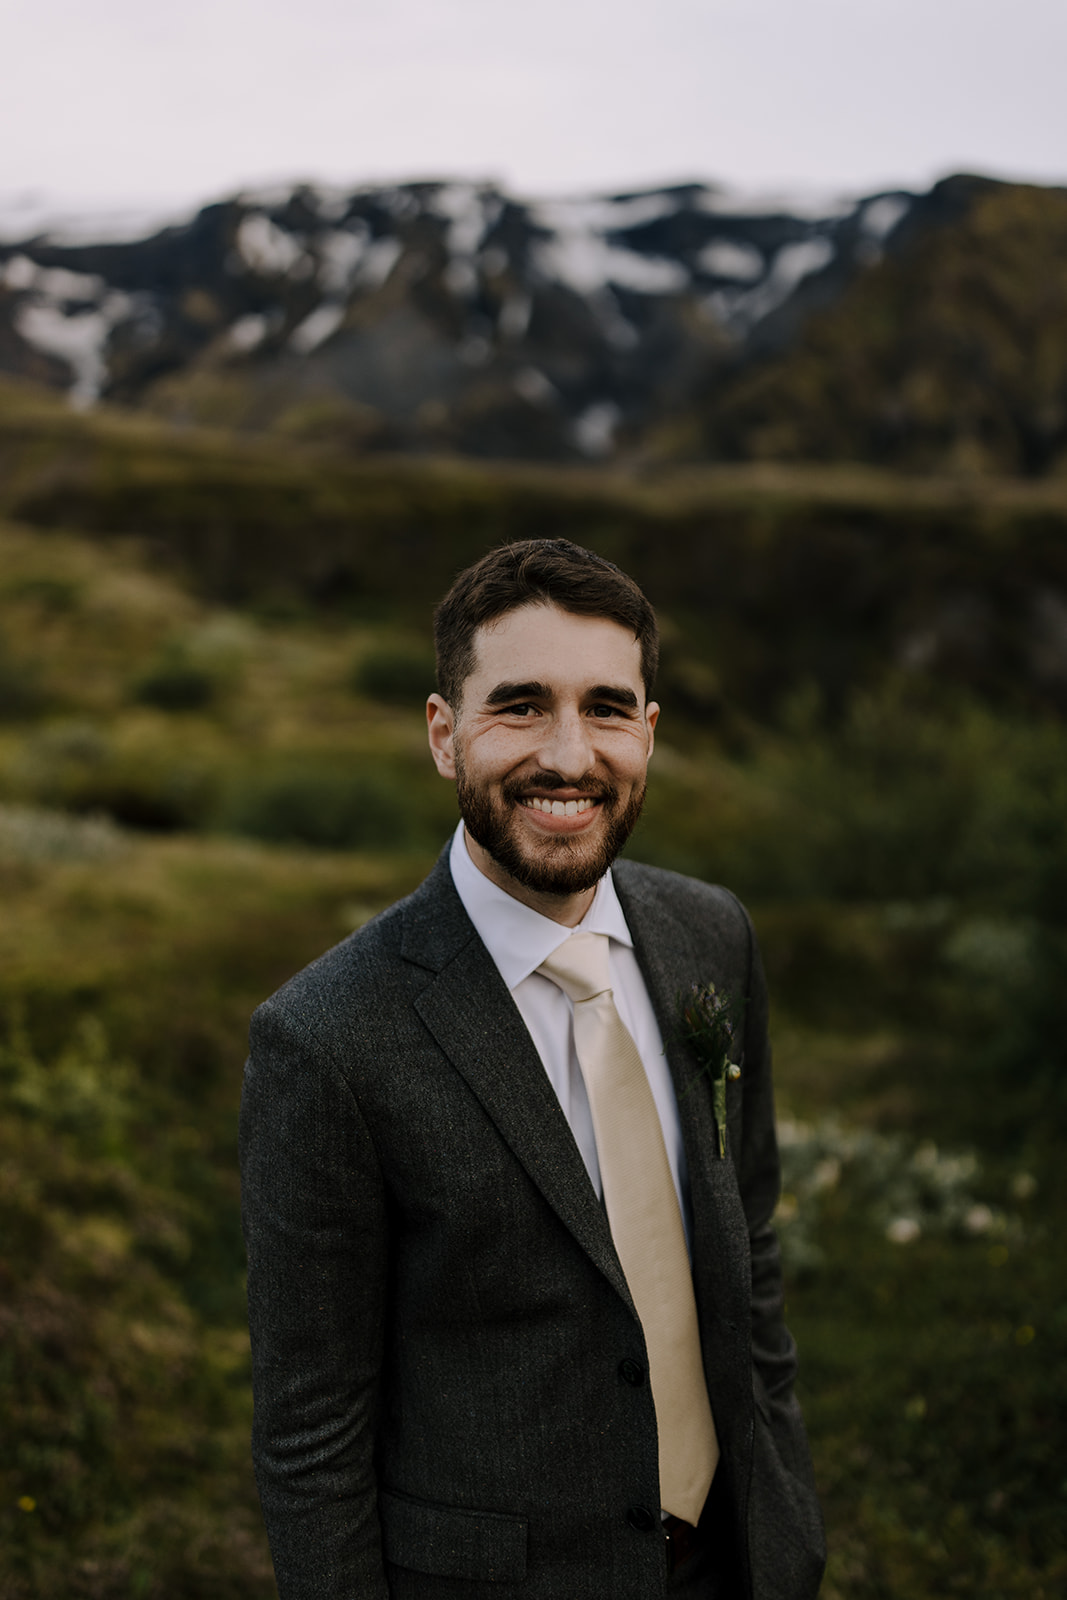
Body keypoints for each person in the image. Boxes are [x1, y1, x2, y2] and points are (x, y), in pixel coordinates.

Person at [239, 538, 825, 1600]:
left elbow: (749, 1249)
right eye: (518, 705)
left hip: (731, 1561)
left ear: (646, 733)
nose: (567, 755)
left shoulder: (711, 938)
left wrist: (785, 1518)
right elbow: (310, 1437)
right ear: (442, 733)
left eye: (605, 708)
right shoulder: (323, 1038)